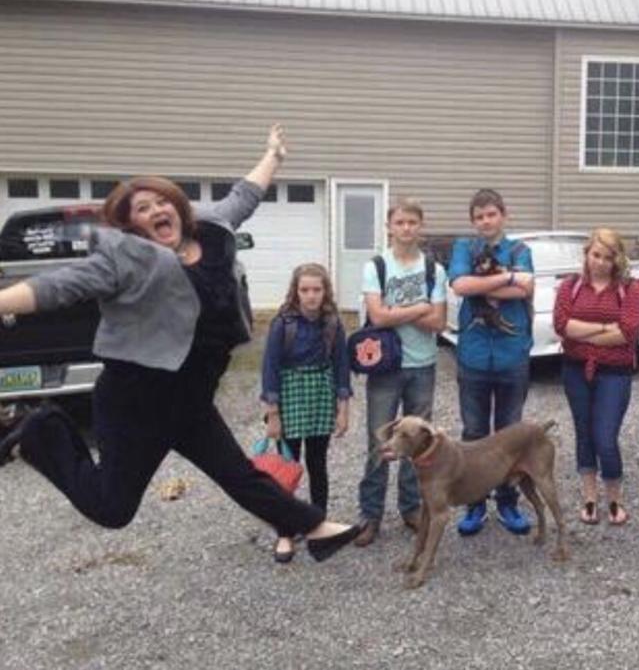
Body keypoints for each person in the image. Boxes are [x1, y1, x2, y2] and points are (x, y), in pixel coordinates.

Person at [0, 125, 361, 560]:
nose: (155, 210)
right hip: (136, 400)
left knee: (239, 475)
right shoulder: (124, 257)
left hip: (191, 398)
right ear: (132, 223)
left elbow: (245, 194)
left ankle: (316, 528)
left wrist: (274, 157)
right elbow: (60, 285)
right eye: (142, 208)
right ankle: (39, 431)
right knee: (113, 509)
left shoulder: (211, 230)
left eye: (160, 201)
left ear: (177, 205)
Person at [353, 200, 447, 547]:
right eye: (400, 222)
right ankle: (370, 514)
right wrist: (420, 306)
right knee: (379, 440)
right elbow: (377, 317)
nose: (406, 228)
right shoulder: (376, 266)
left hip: (422, 365)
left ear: (420, 227)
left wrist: (398, 311)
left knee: (419, 444)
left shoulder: (433, 269)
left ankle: (411, 507)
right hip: (385, 367)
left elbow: (438, 322)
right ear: (389, 227)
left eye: (412, 222)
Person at [447, 188, 535, 536]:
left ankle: (508, 501)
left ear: (503, 215)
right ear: (473, 221)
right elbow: (460, 285)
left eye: (491, 214)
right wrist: (508, 277)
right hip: (474, 356)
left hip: (512, 354)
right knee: (473, 432)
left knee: (510, 434)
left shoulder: (520, 250)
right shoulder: (463, 248)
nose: (486, 221)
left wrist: (482, 284)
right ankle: (474, 503)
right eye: (479, 216)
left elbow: (524, 290)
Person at [261, 263, 352, 563]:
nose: (311, 296)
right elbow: (270, 368)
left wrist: (343, 409)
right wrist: (273, 414)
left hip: (319, 395)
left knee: (317, 463)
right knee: (287, 468)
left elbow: (341, 367)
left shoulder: (333, 324)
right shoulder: (282, 324)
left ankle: (318, 525)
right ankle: (285, 532)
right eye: (305, 290)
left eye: (316, 289)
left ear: (325, 291)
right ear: (295, 291)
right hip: (289, 395)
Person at [553, 228, 639, 526]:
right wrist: (606, 328)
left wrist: (585, 332)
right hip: (575, 370)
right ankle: (590, 496)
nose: (600, 262)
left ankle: (614, 496)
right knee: (584, 433)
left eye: (607, 257)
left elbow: (628, 333)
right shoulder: (570, 287)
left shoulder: (629, 289)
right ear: (587, 254)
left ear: (617, 260)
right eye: (595, 255)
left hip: (614, 373)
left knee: (605, 436)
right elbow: (562, 325)